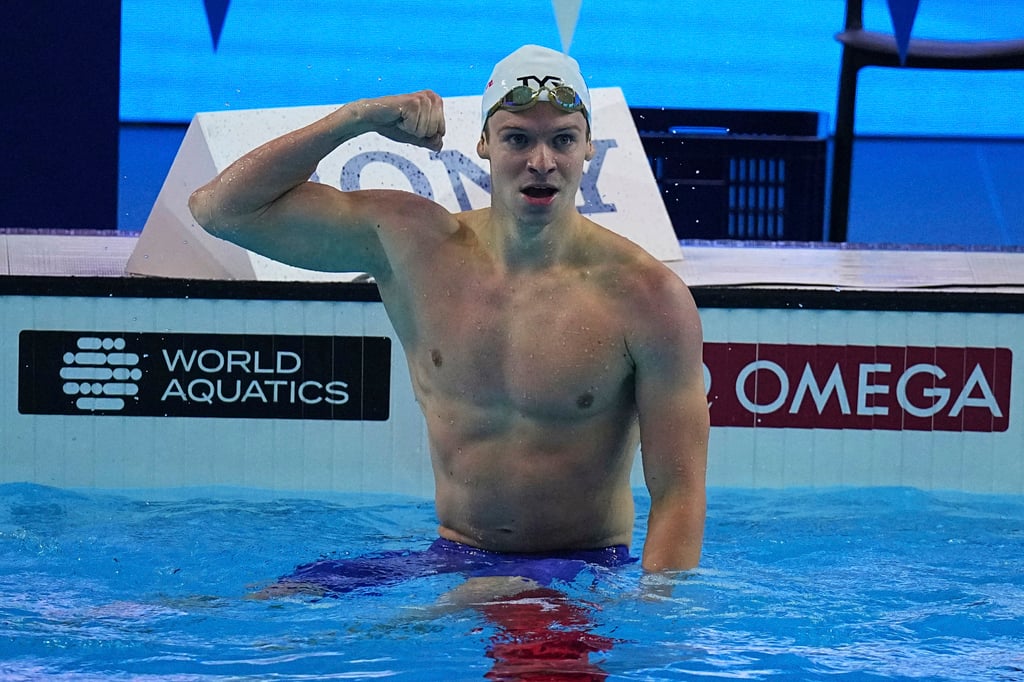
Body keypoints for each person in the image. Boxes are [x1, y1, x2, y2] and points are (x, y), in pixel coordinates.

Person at [189, 45, 709, 586]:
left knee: (457, 607)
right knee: (268, 604)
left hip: (581, 572)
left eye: (562, 140)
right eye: (517, 139)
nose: (541, 162)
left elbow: (679, 491)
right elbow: (219, 210)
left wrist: (657, 614)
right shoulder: (414, 246)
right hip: (451, 559)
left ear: (588, 149)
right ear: (483, 143)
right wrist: (355, 119)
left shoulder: (647, 297)